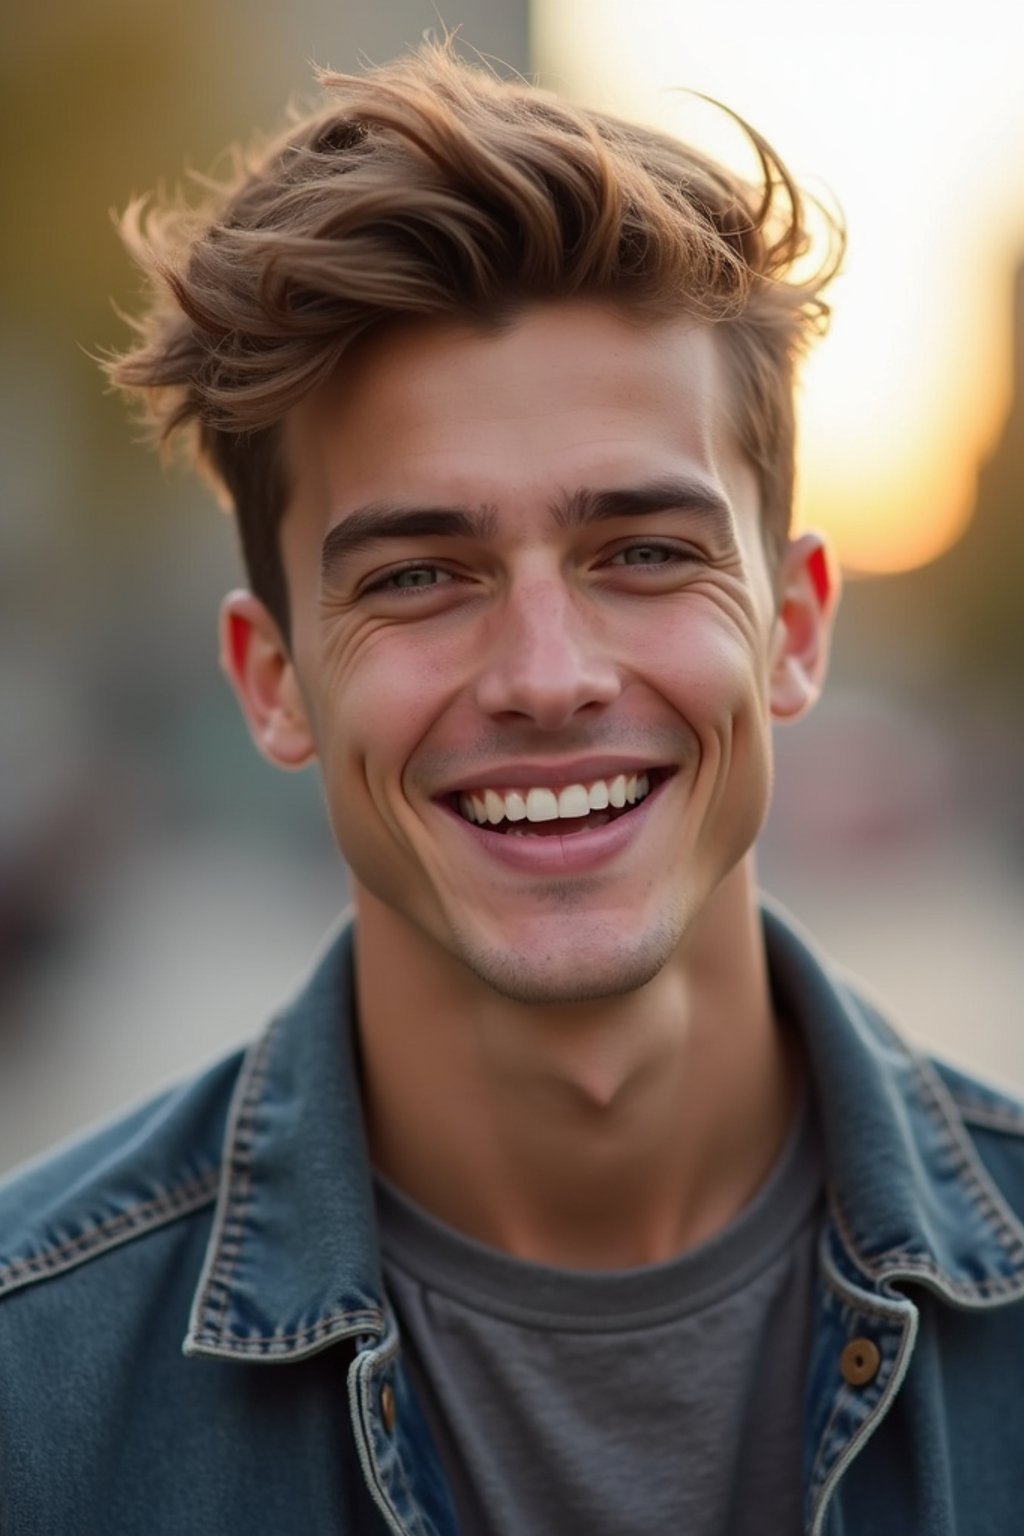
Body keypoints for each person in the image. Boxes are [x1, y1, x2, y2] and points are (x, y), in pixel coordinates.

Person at [1, 41, 1023, 1536]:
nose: (548, 675)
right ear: (273, 680)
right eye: (420, 575)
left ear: (795, 628)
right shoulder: (31, 1395)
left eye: (646, 552)